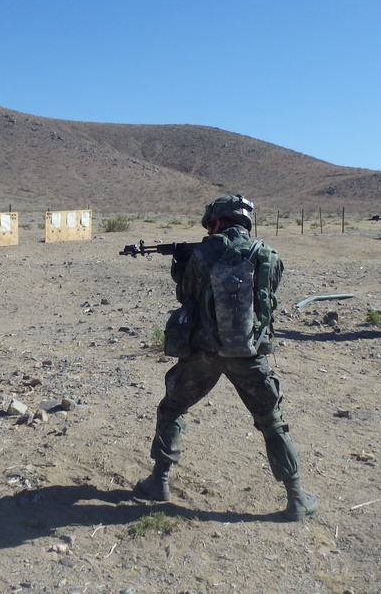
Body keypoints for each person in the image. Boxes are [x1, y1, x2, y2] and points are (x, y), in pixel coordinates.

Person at [136, 194, 319, 522]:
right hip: (248, 354)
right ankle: (296, 497)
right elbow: (268, 296)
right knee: (271, 421)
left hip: (204, 353)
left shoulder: (204, 252)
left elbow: (186, 295)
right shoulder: (268, 254)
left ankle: (159, 481)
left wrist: (182, 266)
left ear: (216, 221)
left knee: (173, 408)